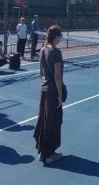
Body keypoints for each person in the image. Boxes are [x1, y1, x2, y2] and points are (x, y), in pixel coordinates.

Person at [34, 25, 64, 164]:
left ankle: (43, 151)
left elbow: (41, 73)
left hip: (44, 90)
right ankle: (49, 154)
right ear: (56, 36)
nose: (61, 38)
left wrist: (44, 85)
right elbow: (58, 76)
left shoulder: (42, 50)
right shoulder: (56, 52)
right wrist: (59, 95)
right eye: (60, 36)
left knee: (43, 120)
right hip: (52, 92)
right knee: (52, 122)